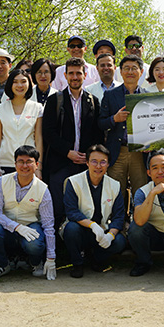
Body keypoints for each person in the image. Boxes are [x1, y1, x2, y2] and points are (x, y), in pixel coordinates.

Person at [42, 57, 103, 228]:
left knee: (83, 207)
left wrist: (88, 156)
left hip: (85, 164)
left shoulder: (93, 101)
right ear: (65, 76)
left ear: (85, 75)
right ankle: (56, 240)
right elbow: (48, 132)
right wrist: (68, 152)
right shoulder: (55, 100)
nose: (75, 77)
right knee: (58, 207)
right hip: (60, 162)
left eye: (78, 73)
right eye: (71, 73)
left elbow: (97, 134)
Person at [0, 145, 56, 281]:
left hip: (31, 226)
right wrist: (16, 227)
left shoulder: (43, 189)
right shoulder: (1, 182)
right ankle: (1, 264)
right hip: (6, 227)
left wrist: (51, 257)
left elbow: (48, 224)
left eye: (29, 162)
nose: (24, 166)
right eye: (20, 161)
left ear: (37, 165)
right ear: (15, 164)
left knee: (34, 243)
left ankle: (35, 263)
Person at [61, 144, 127, 278]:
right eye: (94, 161)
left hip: (102, 230)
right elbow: (72, 212)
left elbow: (119, 216)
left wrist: (110, 235)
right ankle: (77, 264)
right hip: (81, 229)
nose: (98, 166)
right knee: (71, 229)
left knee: (119, 241)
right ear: (87, 163)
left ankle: (97, 259)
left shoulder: (114, 185)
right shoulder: (73, 182)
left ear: (108, 164)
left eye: (103, 162)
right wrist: (92, 225)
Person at [99, 55, 149, 200]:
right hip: (117, 151)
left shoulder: (148, 96)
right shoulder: (110, 95)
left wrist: (151, 143)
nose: (130, 72)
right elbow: (100, 123)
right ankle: (119, 215)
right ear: (120, 72)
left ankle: (139, 215)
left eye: (134, 68)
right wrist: (114, 119)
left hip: (139, 152)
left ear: (141, 71)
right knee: (116, 192)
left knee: (141, 190)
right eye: (126, 68)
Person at [0, 69, 43, 175]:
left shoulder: (37, 108)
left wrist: (38, 168)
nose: (19, 85)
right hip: (6, 163)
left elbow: (38, 139)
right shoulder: (0, 109)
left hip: (29, 163)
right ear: (10, 84)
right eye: (15, 82)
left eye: (23, 81)